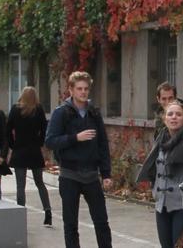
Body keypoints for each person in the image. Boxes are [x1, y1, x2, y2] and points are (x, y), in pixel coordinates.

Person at [45, 71, 115, 248]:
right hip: (70, 175)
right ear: (71, 90)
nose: (83, 92)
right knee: (70, 225)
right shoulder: (61, 113)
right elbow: (50, 141)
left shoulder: (94, 113)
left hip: (91, 175)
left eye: (86, 89)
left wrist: (106, 174)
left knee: (102, 222)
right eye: (79, 89)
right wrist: (75, 138)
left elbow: (102, 144)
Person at [137, 100, 183, 248]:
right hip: (162, 204)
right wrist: (155, 190)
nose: (174, 117)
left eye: (178, 114)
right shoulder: (161, 139)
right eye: (170, 114)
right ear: (164, 118)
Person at [8, 86, 53, 227]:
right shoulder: (38, 110)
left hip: (20, 149)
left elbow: (8, 129)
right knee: (40, 183)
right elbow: (45, 129)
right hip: (34, 150)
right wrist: (40, 143)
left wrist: (12, 144)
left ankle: (21, 214)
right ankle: (48, 212)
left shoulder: (15, 109)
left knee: (20, 185)